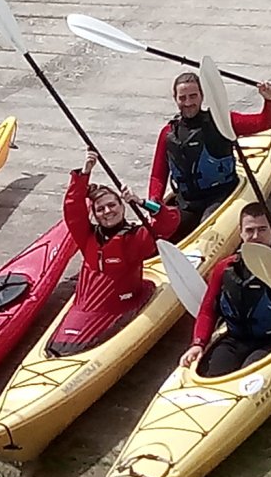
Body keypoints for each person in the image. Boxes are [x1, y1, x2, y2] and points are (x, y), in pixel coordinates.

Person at [49, 149, 182, 356]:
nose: (107, 211)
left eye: (112, 205)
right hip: (84, 309)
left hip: (121, 307)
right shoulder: (88, 237)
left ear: (122, 206)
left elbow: (170, 221)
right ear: (94, 215)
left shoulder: (137, 238)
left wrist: (140, 202)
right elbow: (72, 209)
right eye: (100, 209)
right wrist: (84, 173)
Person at [178, 204, 271, 376]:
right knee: (210, 373)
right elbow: (207, 311)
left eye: (262, 229)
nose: (256, 236)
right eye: (250, 231)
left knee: (248, 373)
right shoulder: (225, 268)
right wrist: (198, 343)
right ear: (241, 233)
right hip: (235, 339)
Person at [149, 73, 271, 241]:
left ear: (202, 96)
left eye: (193, 96)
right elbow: (158, 175)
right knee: (160, 236)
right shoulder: (168, 134)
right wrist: (154, 200)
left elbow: (264, 122)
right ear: (176, 99)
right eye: (183, 97)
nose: (188, 102)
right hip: (187, 202)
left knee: (204, 232)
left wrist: (269, 100)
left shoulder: (221, 121)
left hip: (220, 196)